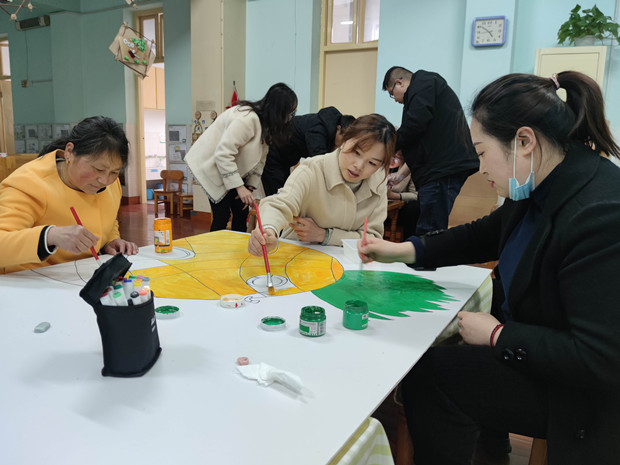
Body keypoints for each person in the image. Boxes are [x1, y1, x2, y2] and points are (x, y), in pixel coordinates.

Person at [361, 71, 620, 464]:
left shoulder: (598, 214)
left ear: (524, 142)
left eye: (482, 153)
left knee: (433, 375)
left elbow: (597, 357)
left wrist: (499, 335)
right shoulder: (543, 178)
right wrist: (403, 250)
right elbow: (481, 234)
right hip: (541, 340)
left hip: (580, 394)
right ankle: (491, 448)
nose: (480, 168)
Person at [0, 116, 139, 274]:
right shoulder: (28, 183)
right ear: (69, 152)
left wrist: (110, 241)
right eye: (98, 169)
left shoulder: (111, 184)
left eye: (114, 172)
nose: (104, 180)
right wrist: (49, 236)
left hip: (82, 275)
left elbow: (109, 218)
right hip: (33, 279)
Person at [248, 114, 395, 256]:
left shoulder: (378, 182)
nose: (359, 166)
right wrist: (269, 230)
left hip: (349, 263)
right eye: (356, 152)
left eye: (372, 163)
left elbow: (373, 237)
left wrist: (325, 235)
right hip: (299, 256)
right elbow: (280, 205)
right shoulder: (313, 169)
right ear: (344, 141)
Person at [185, 82, 298, 232]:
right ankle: (215, 247)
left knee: (241, 211)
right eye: (289, 113)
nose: (290, 118)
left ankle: (238, 246)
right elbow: (223, 154)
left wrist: (249, 187)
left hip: (228, 166)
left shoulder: (266, 125)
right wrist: (239, 187)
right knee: (222, 215)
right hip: (210, 164)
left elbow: (261, 159)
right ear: (278, 110)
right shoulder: (247, 119)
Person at [382, 66, 479, 235]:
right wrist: (400, 175)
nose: (395, 99)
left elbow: (414, 125)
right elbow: (422, 142)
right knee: (429, 224)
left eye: (392, 93)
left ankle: (423, 253)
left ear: (399, 83)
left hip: (442, 169)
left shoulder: (423, 83)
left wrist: (386, 148)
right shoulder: (425, 90)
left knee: (429, 229)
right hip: (440, 168)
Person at [261, 106, 355, 196]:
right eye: (344, 139)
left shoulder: (328, 128)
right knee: (277, 197)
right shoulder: (318, 129)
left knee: (284, 193)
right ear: (338, 128)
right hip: (273, 156)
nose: (343, 144)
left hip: (285, 159)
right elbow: (319, 162)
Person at [385, 150, 419, 240]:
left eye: (398, 157)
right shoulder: (377, 165)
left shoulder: (409, 170)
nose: (393, 160)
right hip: (377, 205)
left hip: (397, 208)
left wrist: (394, 195)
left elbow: (416, 195)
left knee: (414, 208)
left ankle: (408, 244)